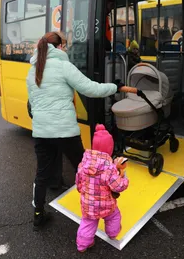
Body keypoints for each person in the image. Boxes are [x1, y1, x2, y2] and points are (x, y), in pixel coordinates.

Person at [27, 32, 123, 231]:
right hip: (65, 132)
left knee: (41, 174)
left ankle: (38, 214)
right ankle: (96, 209)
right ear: (59, 47)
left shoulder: (33, 70)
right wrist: (115, 87)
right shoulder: (63, 66)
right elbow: (91, 89)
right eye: (64, 45)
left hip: (41, 132)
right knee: (87, 169)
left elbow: (33, 103)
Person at [75, 124, 129, 252]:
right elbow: (119, 186)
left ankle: (82, 245)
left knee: (87, 223)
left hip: (88, 204)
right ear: (109, 149)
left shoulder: (83, 163)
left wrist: (83, 191)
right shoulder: (110, 168)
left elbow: (78, 182)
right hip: (106, 205)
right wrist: (124, 176)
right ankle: (112, 234)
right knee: (114, 216)